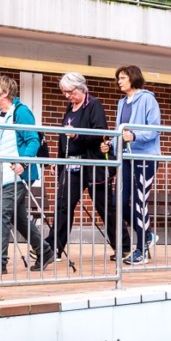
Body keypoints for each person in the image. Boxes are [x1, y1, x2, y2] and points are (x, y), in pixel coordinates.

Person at [53, 72, 130, 263]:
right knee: (63, 206)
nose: (67, 96)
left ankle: (124, 247)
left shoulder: (94, 105)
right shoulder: (70, 107)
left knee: (105, 208)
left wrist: (77, 135)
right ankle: (53, 248)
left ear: (81, 88)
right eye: (65, 92)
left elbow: (99, 134)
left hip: (93, 165)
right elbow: (63, 137)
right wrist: (59, 160)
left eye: (70, 92)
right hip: (72, 165)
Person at [0, 76, 54, 275]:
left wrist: (23, 162)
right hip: (5, 174)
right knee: (18, 217)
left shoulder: (21, 112)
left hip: (20, 174)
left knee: (1, 211)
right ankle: (44, 250)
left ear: (5, 93)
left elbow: (33, 140)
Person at [99, 65, 162, 265]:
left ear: (133, 78)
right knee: (117, 202)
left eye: (123, 78)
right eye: (118, 78)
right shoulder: (122, 103)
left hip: (144, 158)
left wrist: (135, 135)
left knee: (138, 202)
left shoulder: (148, 99)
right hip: (126, 157)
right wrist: (111, 144)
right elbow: (121, 130)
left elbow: (155, 129)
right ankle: (147, 234)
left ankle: (141, 249)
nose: (119, 81)